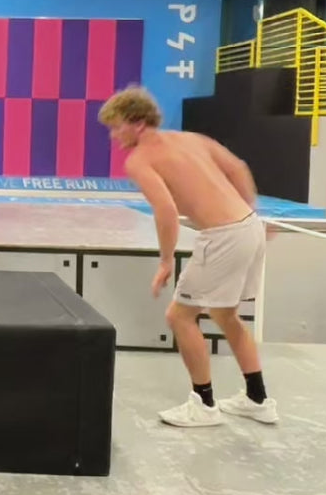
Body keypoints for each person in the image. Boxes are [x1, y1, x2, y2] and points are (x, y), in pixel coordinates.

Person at [98, 86, 277, 428]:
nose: (113, 135)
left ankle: (204, 404)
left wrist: (166, 261)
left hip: (223, 237)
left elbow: (165, 210)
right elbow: (238, 167)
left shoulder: (140, 160)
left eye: (117, 126)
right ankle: (258, 399)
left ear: (138, 123)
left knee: (180, 317)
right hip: (248, 226)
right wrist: (247, 211)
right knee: (225, 314)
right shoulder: (191, 139)